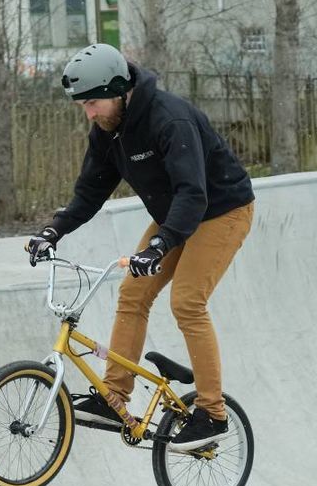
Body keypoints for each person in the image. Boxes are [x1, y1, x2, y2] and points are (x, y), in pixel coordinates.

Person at [25, 43, 255, 453]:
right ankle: (115, 399)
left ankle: (213, 414)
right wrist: (53, 231)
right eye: (83, 106)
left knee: (187, 301)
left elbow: (193, 193)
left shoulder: (170, 120)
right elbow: (89, 193)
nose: (89, 114)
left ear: (119, 90)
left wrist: (160, 244)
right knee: (133, 293)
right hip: (174, 215)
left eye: (93, 103)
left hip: (220, 211)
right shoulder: (109, 133)